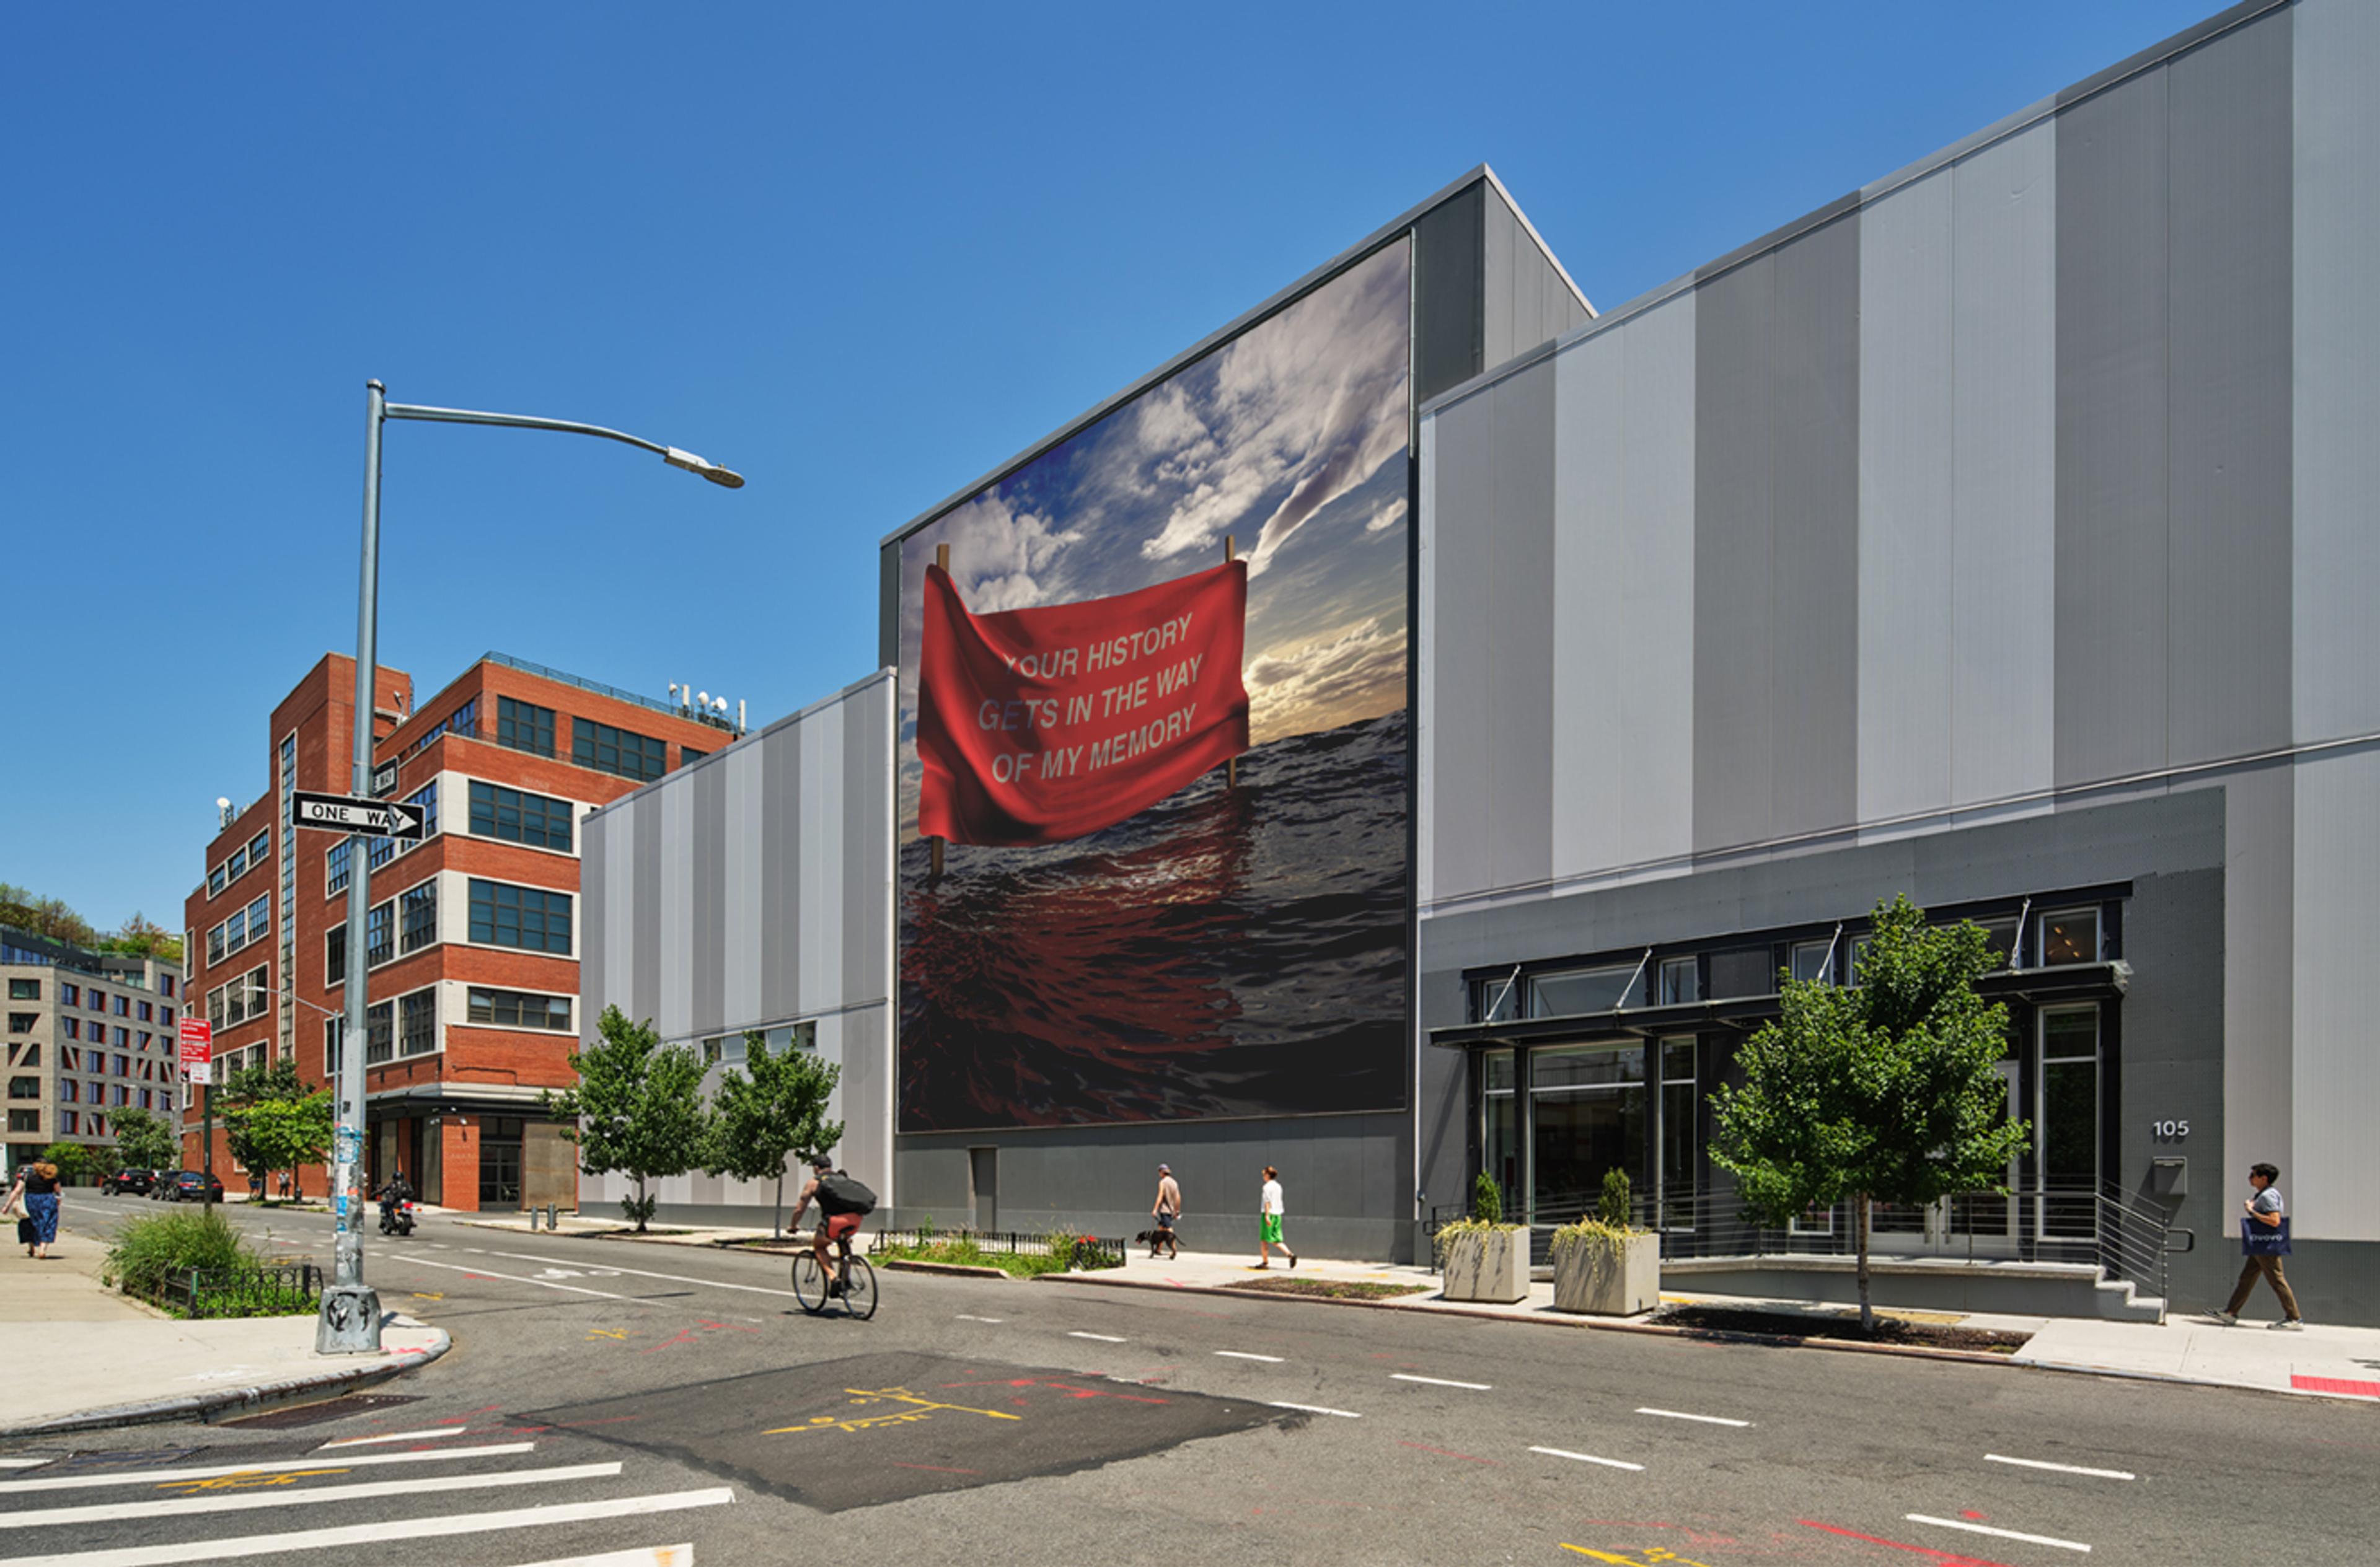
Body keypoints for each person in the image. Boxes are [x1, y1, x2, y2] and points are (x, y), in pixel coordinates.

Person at [2211, 1162, 2303, 1330]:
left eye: (2253, 1175)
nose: (2250, 1178)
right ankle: (2231, 1312)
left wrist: (2251, 1211)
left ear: (2264, 1178)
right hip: (2261, 1245)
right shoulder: (2266, 1194)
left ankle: (2294, 1318)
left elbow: (2275, 1220)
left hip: (2266, 1245)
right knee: (2247, 1278)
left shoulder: (2268, 1196)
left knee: (2277, 1280)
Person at [787, 1154, 863, 1294]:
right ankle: (846, 1279)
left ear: (816, 1168)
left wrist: (793, 1226)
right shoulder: (843, 1179)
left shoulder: (814, 1182)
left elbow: (800, 1208)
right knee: (844, 1244)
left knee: (819, 1247)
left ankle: (833, 1278)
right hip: (855, 1220)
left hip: (834, 1222)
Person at [4, 1161, 63, 1260]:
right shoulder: (52, 1178)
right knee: (48, 1224)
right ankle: (42, 1249)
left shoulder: (27, 1178)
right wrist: (58, 1202)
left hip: (31, 1200)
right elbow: (58, 1192)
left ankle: (32, 1247)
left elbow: (17, 1191)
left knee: (33, 1222)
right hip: (48, 1200)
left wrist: (7, 1206)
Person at [1256, 1165, 1296, 1269]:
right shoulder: (1279, 1186)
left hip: (1270, 1214)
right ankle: (1290, 1255)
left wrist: (1267, 1216)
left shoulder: (1266, 1187)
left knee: (1264, 1239)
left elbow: (1267, 1202)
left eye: (1264, 1174)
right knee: (1276, 1240)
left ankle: (1265, 1263)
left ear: (1268, 1175)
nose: (1263, 1176)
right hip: (1278, 1215)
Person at [1151, 1164, 1182, 1259]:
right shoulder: (1174, 1182)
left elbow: (1160, 1196)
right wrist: (1177, 1211)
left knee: (1168, 1229)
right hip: (1172, 1210)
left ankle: (1174, 1249)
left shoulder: (1163, 1182)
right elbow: (1178, 1198)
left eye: (1159, 1172)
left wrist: (1155, 1209)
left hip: (1165, 1210)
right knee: (1161, 1228)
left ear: (1161, 1172)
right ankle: (1158, 1249)